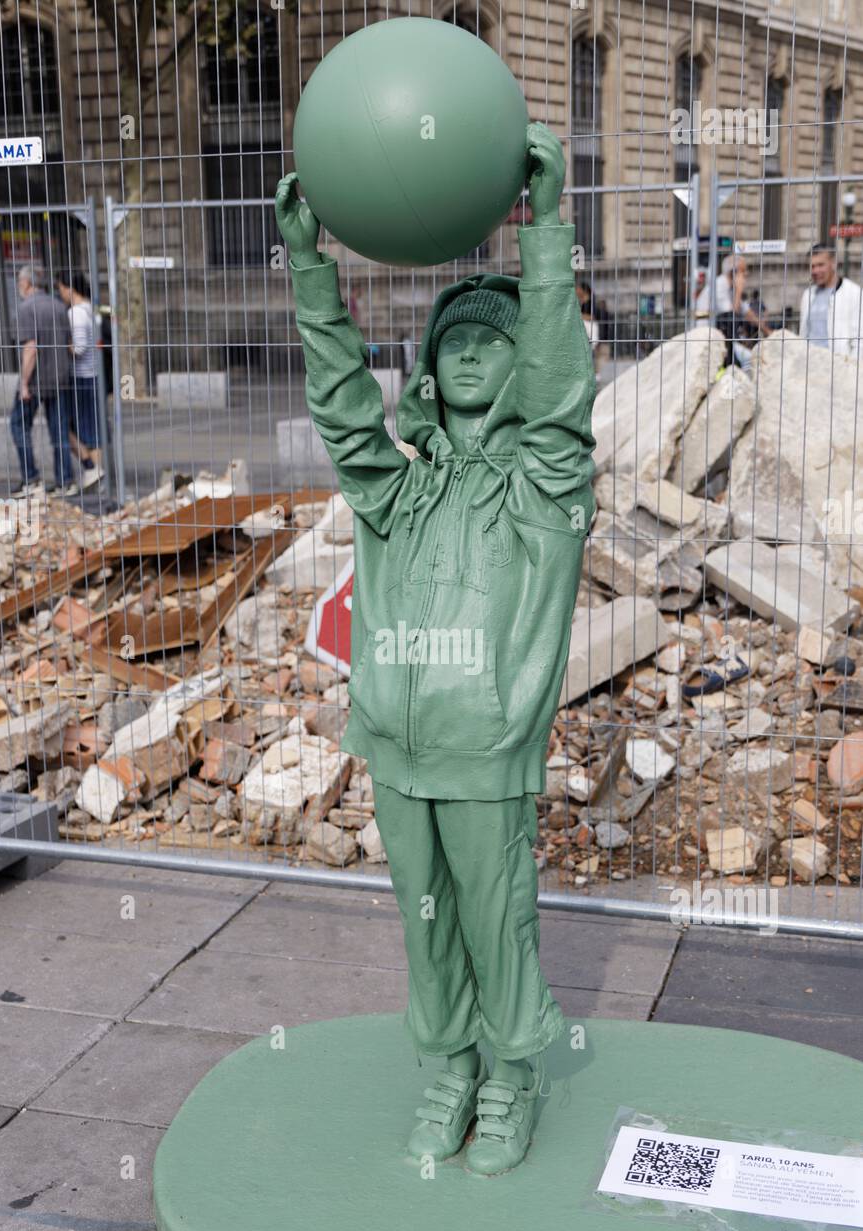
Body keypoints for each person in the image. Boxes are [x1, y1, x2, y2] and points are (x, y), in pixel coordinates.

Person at [275, 121, 597, 1176]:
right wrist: (310, 268)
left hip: (488, 748)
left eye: (492, 337)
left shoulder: (545, 487)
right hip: (397, 750)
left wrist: (543, 235)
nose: (467, 347)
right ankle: (451, 1064)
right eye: (450, 335)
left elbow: (560, 401)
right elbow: (341, 407)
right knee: (426, 922)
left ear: (521, 363)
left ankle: (511, 1075)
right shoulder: (396, 487)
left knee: (496, 918)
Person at [10, 262, 75, 495]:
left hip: (37, 380)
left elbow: (31, 349)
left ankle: (31, 478)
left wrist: (24, 384)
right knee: (59, 432)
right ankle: (65, 481)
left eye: (19, 282)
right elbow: (70, 345)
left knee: (18, 425)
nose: (19, 286)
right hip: (60, 377)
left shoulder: (27, 308)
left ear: (27, 283)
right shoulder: (59, 306)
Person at [56, 270, 103, 488]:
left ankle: (92, 469)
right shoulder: (90, 309)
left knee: (69, 426)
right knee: (91, 429)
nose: (60, 293)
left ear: (69, 288)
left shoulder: (76, 313)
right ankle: (96, 475)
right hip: (92, 374)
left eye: (60, 288)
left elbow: (80, 348)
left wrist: (61, 346)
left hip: (80, 377)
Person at [705, 254, 771, 371]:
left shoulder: (730, 288)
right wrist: (739, 290)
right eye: (743, 271)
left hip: (724, 340)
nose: (746, 274)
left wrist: (768, 332)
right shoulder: (719, 286)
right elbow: (730, 318)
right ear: (733, 273)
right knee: (749, 360)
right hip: (709, 340)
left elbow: (747, 312)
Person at [799, 243, 862, 358]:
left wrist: (853, 370)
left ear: (833, 263)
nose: (815, 271)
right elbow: (803, 334)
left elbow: (860, 339)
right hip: (809, 365)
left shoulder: (854, 293)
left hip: (838, 367)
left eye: (820, 265)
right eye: (812, 266)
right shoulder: (808, 295)